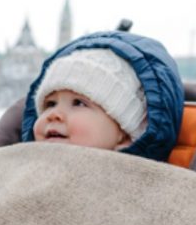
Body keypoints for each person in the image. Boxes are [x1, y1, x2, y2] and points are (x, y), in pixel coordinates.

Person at [23, 30, 185, 159]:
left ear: (124, 135)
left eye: (78, 103)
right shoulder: (19, 166)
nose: (54, 114)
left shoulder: (139, 190)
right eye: (50, 104)